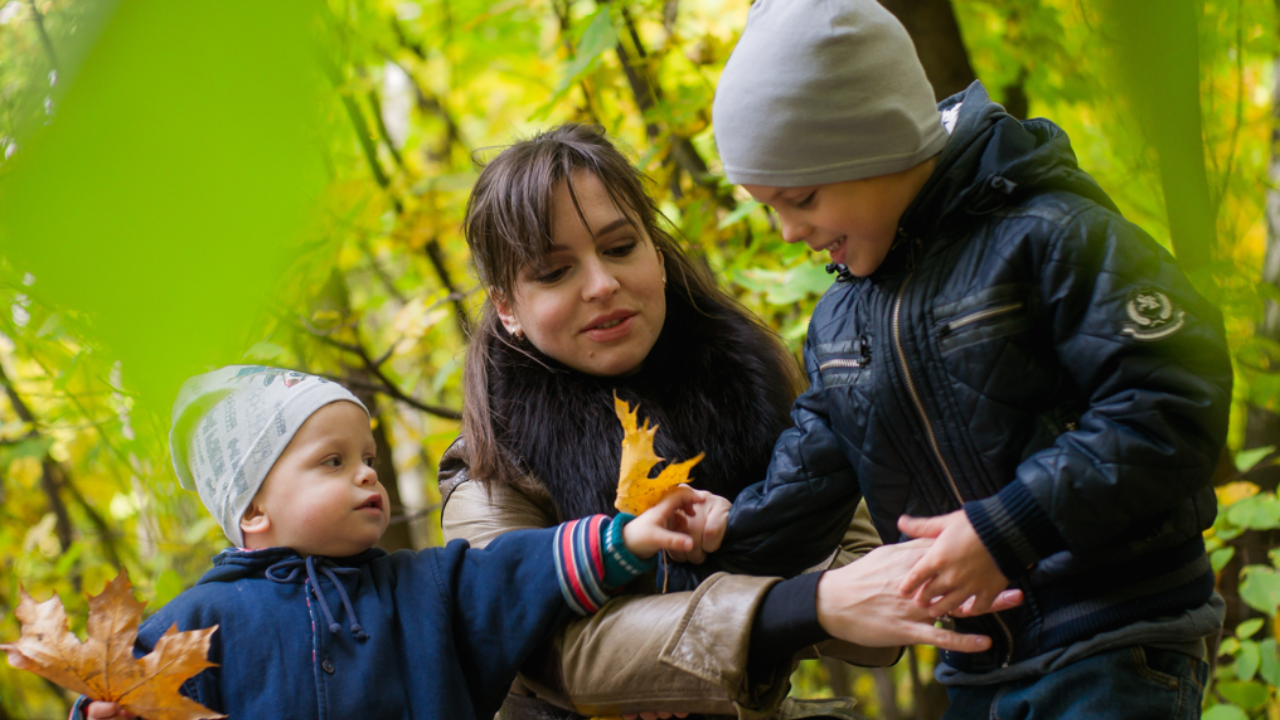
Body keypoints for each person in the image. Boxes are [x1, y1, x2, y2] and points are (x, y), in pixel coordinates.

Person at [699, 0, 1233, 717]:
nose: (790, 228)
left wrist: (1008, 527)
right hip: (978, 664)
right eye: (768, 205)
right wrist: (724, 531)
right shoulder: (841, 319)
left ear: (879, 142)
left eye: (801, 196)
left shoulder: (1049, 234)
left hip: (1111, 639)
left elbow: (1172, 405)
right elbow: (812, 474)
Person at [444, 123, 1021, 720]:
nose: (602, 284)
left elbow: (862, 565)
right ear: (506, 306)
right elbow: (564, 655)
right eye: (553, 271)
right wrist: (808, 605)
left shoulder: (756, 387)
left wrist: (738, 535)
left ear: (658, 255)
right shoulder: (489, 468)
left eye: (620, 248)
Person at [76, 365, 710, 720]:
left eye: (368, 456)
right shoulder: (199, 623)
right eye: (332, 461)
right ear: (254, 509)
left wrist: (625, 537)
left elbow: (519, 571)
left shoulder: (425, 589)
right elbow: (122, 692)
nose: (366, 472)